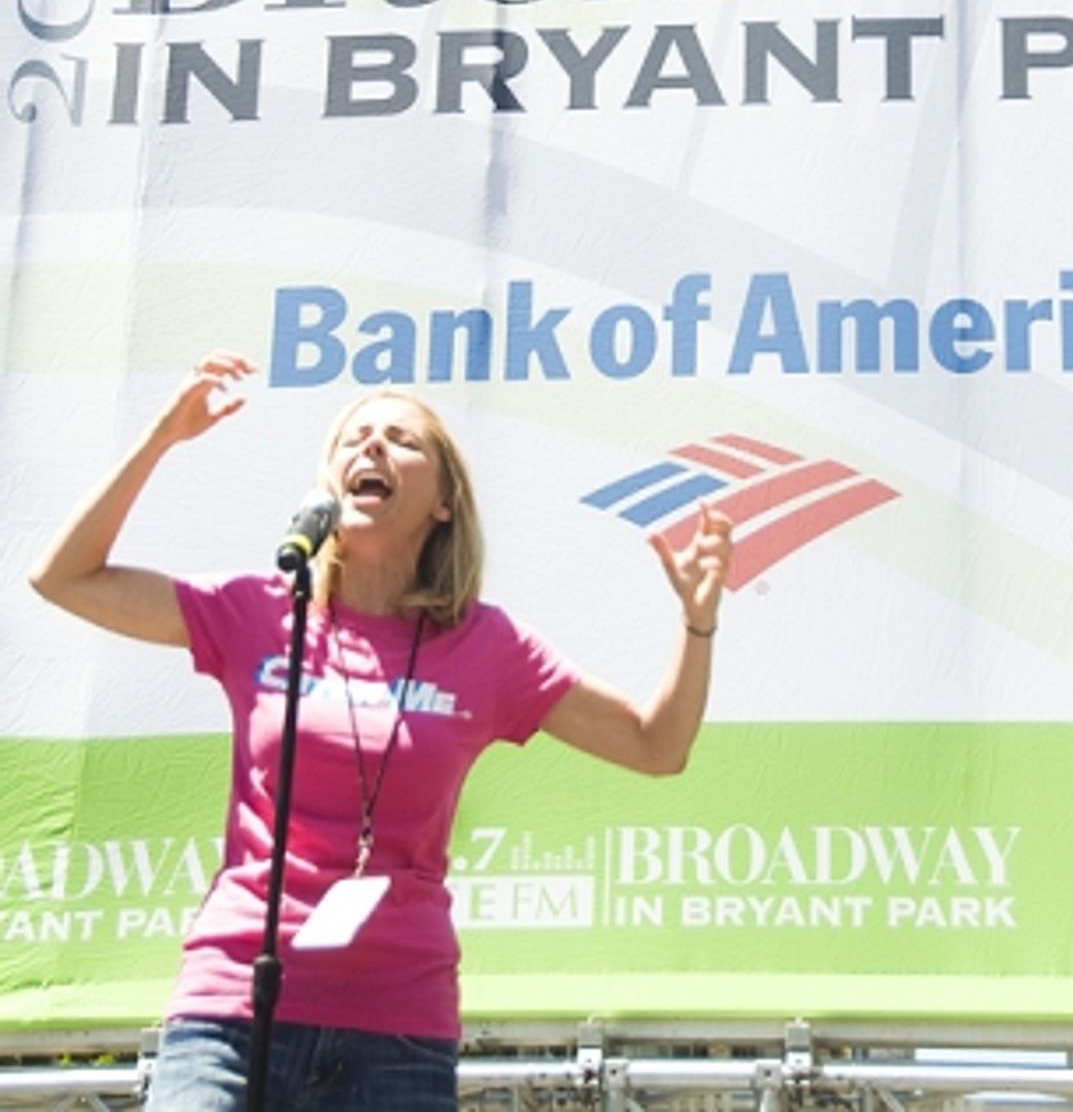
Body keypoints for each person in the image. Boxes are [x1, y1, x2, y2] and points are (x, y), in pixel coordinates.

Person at [29, 351, 733, 1111]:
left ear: (442, 501)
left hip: (396, 1029)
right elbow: (64, 576)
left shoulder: (488, 646)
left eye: (401, 439)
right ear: (327, 487)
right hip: (233, 1009)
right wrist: (164, 435)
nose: (371, 447)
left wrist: (698, 623)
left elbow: (657, 746)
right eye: (353, 438)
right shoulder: (260, 611)